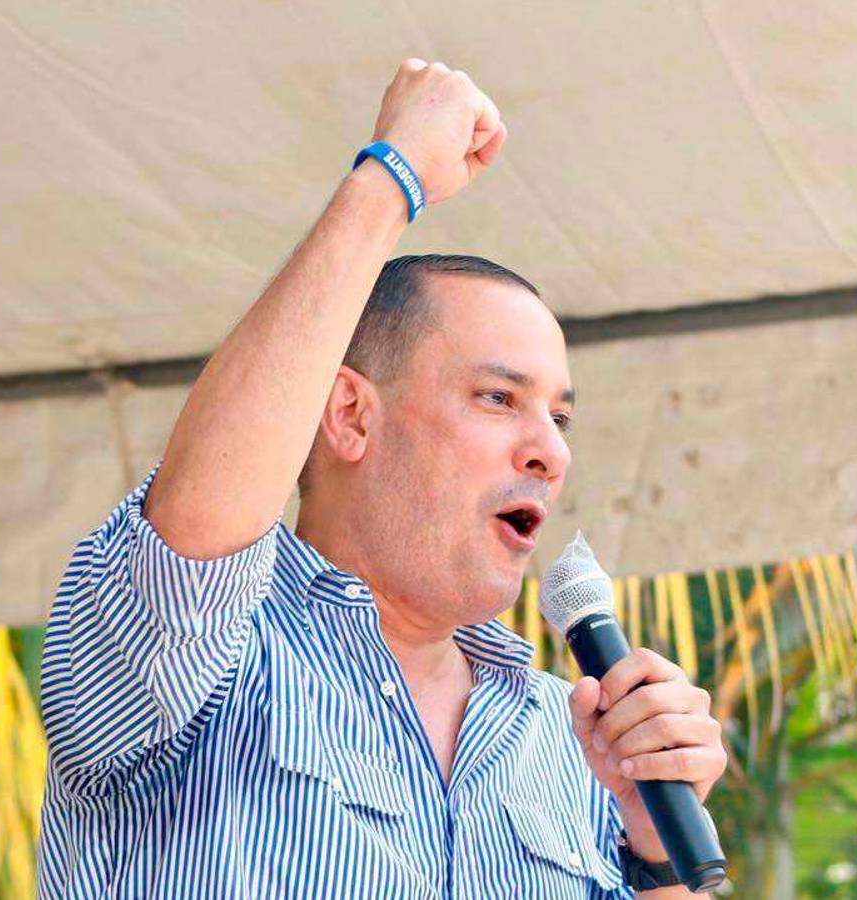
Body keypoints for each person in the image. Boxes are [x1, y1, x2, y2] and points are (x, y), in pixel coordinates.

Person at [36, 59, 727, 899]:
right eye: (498, 398)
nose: (551, 451)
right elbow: (196, 526)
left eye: (560, 417)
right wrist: (391, 179)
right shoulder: (198, 659)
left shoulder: (571, 738)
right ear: (350, 415)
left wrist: (655, 852)